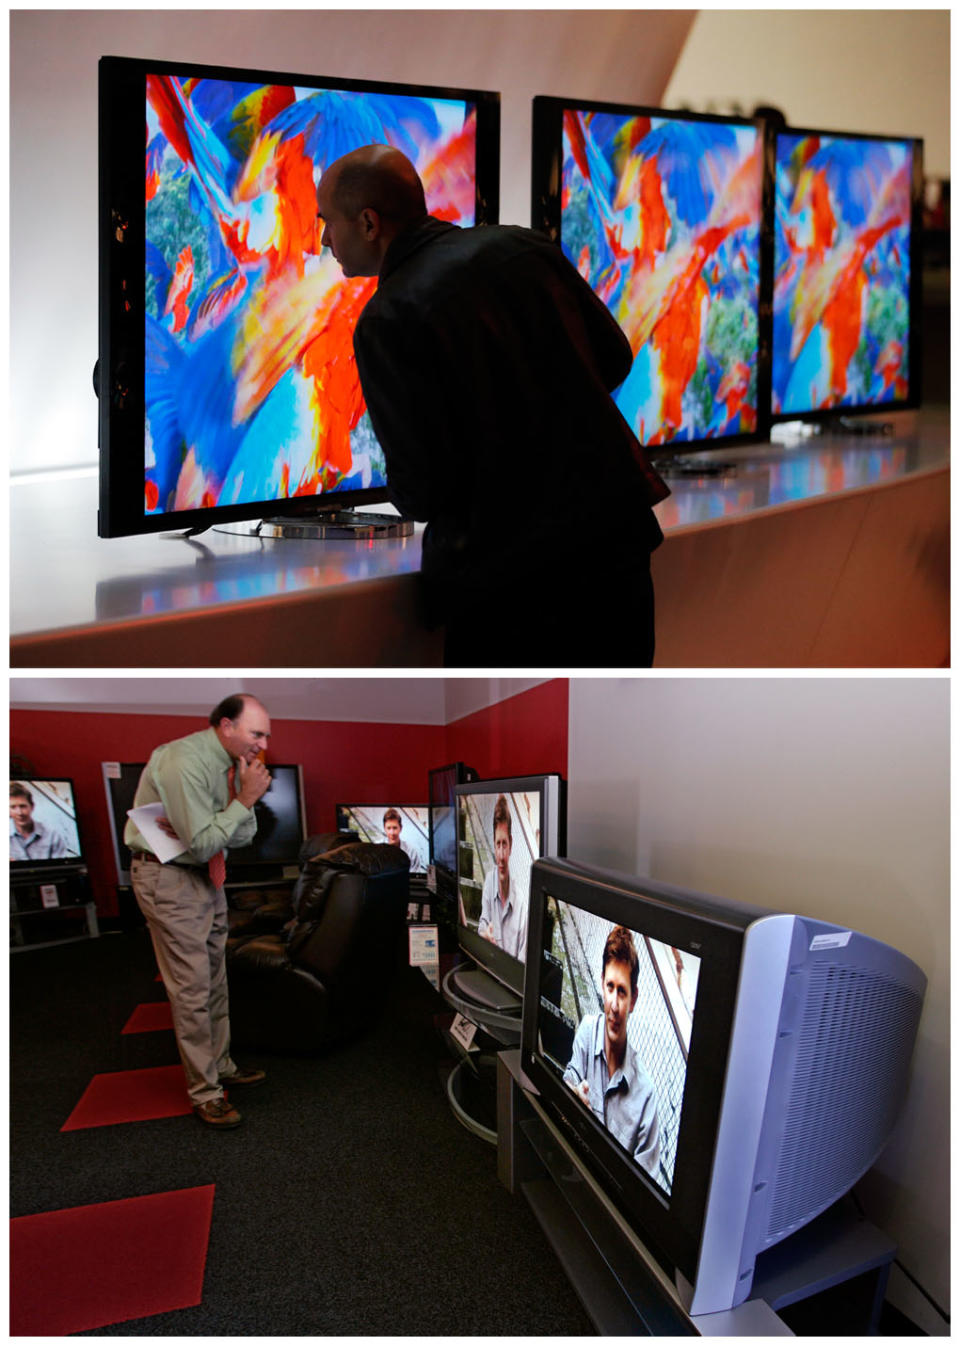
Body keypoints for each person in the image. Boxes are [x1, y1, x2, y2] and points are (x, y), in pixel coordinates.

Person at [315, 144, 670, 667]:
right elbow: (615, 359)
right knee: (614, 736)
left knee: (513, 748)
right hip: (616, 547)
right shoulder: (524, 247)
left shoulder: (388, 318)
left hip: (512, 587)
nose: (324, 241)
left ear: (369, 223)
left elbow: (424, 490)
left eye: (327, 223)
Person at [123, 693, 273, 1129]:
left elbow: (242, 837)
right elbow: (209, 840)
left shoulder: (232, 766)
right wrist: (244, 800)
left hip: (206, 876)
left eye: (266, 735)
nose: (262, 744)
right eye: (256, 733)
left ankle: (221, 1066)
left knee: (215, 981)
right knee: (191, 989)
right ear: (226, 726)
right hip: (168, 878)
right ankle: (205, 1092)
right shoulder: (182, 761)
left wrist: (236, 805)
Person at [563, 924, 661, 1176]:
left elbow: (643, 1189)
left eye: (622, 991)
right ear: (601, 985)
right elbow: (566, 1083)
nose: (614, 1005)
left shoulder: (645, 1095)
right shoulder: (586, 1031)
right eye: (609, 987)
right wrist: (571, 1096)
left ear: (634, 999)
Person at [476, 794, 527, 961]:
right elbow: (483, 924)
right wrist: (484, 936)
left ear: (511, 844)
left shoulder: (521, 905)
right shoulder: (490, 881)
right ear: (493, 843)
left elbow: (523, 966)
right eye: (498, 844)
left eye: (504, 844)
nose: (501, 855)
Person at [9, 782, 73, 861]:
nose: (19, 813)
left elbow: (60, 867)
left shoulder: (52, 835)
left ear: (32, 806)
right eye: (13, 807)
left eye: (23, 806)